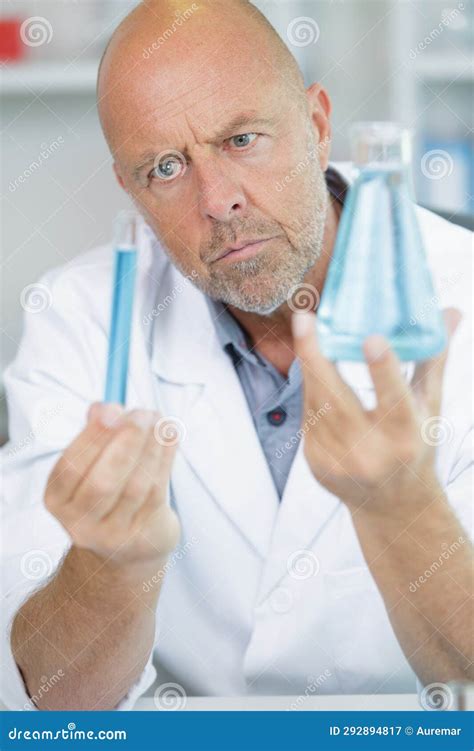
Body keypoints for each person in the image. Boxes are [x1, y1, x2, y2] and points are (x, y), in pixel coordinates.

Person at [1, 0, 472, 711]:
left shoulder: (459, 285)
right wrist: (111, 566)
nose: (217, 200)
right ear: (129, 189)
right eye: (165, 167)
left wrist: (402, 509)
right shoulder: (78, 319)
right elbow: (53, 701)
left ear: (316, 125)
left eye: (243, 139)